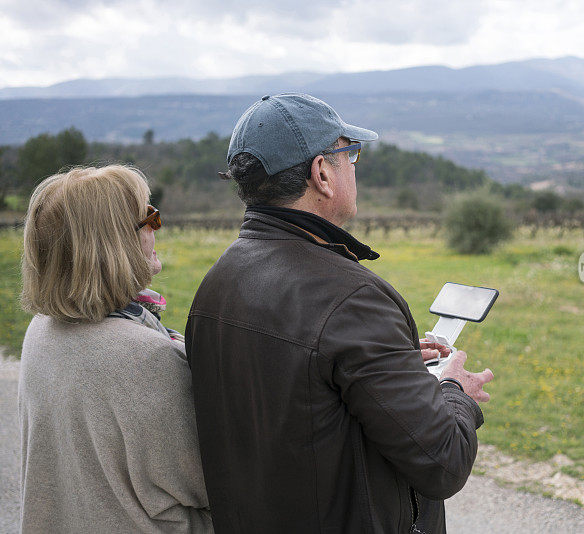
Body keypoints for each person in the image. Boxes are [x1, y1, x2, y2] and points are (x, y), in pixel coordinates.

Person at [186, 93, 494, 533]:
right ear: (322, 173)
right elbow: (442, 462)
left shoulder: (217, 281)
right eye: (350, 153)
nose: (354, 166)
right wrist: (453, 390)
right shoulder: (354, 300)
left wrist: (392, 365)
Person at [18, 165, 213, 533]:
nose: (158, 227)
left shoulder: (41, 330)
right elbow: (214, 482)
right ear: (113, 242)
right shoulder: (144, 358)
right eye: (150, 218)